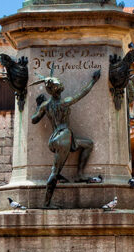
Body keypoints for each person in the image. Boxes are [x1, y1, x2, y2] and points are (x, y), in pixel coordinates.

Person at [31, 70, 101, 207]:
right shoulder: (64, 102)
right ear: (58, 91)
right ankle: (46, 203)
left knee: (88, 145)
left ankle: (80, 174)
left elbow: (34, 120)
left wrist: (39, 106)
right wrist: (93, 81)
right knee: (55, 172)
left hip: (57, 137)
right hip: (64, 137)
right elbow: (82, 93)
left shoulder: (46, 105)